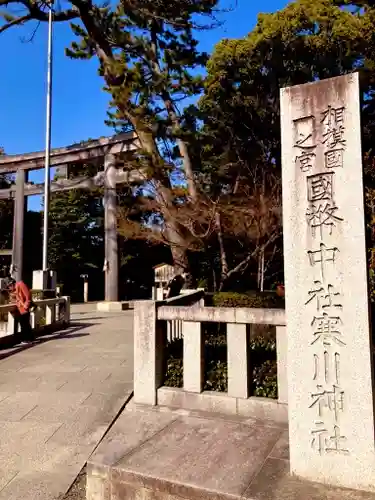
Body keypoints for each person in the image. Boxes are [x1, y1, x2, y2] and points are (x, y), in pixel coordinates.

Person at [7, 277, 34, 344]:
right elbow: (17, 299)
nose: (9, 288)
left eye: (9, 286)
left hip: (24, 308)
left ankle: (26, 339)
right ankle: (30, 338)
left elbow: (28, 295)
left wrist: (26, 306)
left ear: (12, 284)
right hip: (20, 308)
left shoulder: (20, 284)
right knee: (25, 324)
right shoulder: (16, 289)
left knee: (24, 324)